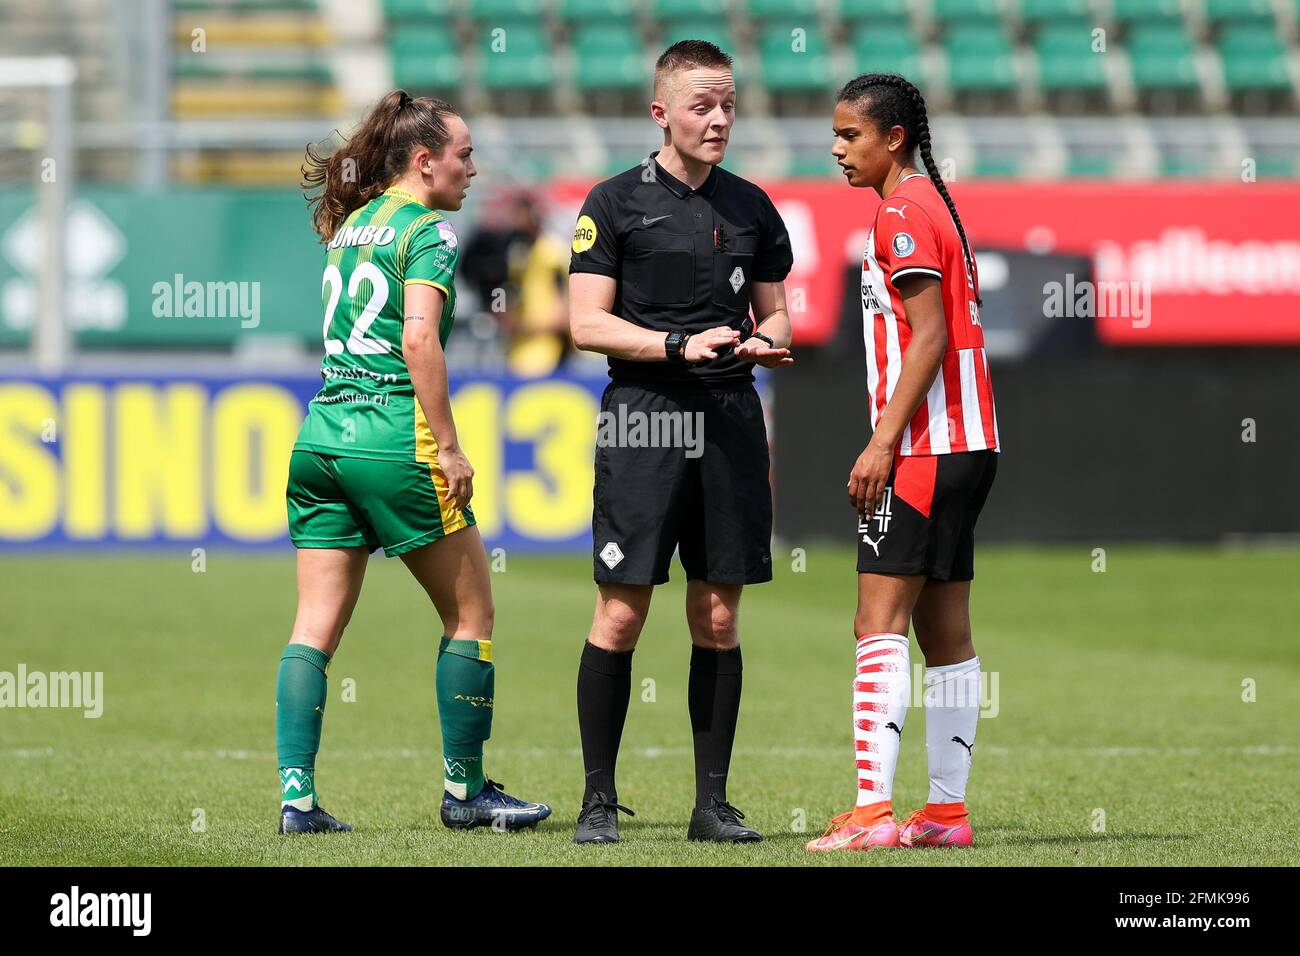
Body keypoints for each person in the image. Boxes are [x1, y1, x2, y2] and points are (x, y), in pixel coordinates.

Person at [277, 90, 551, 835]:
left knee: (312, 628)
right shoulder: (428, 231)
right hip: (393, 439)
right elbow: (419, 340)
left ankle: (297, 801)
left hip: (322, 439)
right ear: (425, 161)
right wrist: (450, 446)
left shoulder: (352, 224)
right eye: (465, 154)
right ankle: (466, 792)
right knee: (471, 614)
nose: (473, 168)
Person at [567, 41, 795, 845]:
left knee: (719, 614)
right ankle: (598, 801)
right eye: (704, 105)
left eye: (729, 104)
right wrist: (674, 346)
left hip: (730, 417)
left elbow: (777, 313)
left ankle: (712, 806)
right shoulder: (614, 202)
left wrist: (766, 341)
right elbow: (585, 323)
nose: (720, 119)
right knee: (621, 611)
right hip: (646, 416)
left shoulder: (753, 207)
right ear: (661, 113)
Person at [806, 73, 1000, 852]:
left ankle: (872, 815)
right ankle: (946, 815)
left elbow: (928, 336)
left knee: (875, 624)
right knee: (945, 630)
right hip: (970, 443)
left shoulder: (902, 213)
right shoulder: (933, 205)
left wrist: (883, 441)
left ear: (894, 138)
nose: (837, 148)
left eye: (850, 134)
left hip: (922, 447)